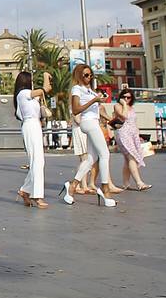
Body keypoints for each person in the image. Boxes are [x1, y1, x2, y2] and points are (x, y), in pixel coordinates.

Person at [61, 64, 119, 206]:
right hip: (88, 122)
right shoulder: (77, 89)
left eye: (90, 74)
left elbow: (97, 110)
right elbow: (75, 110)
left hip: (94, 121)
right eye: (86, 75)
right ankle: (105, 189)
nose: (89, 77)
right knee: (105, 154)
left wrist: (111, 121)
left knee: (91, 159)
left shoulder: (90, 91)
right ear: (79, 76)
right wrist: (94, 100)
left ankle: (72, 186)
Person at [13, 70, 53, 208]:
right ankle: (37, 196)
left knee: (38, 161)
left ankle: (25, 190)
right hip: (30, 125)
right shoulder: (23, 94)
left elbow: (45, 91)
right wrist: (46, 76)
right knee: (37, 161)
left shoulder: (28, 96)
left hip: (34, 125)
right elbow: (45, 89)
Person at [111, 89, 151, 191]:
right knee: (131, 156)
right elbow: (123, 116)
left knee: (127, 159)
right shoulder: (118, 106)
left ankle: (126, 183)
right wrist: (124, 104)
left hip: (133, 134)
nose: (126, 99)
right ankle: (139, 182)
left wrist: (138, 135)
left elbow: (134, 122)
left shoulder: (132, 108)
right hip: (123, 133)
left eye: (128, 97)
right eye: (124, 97)